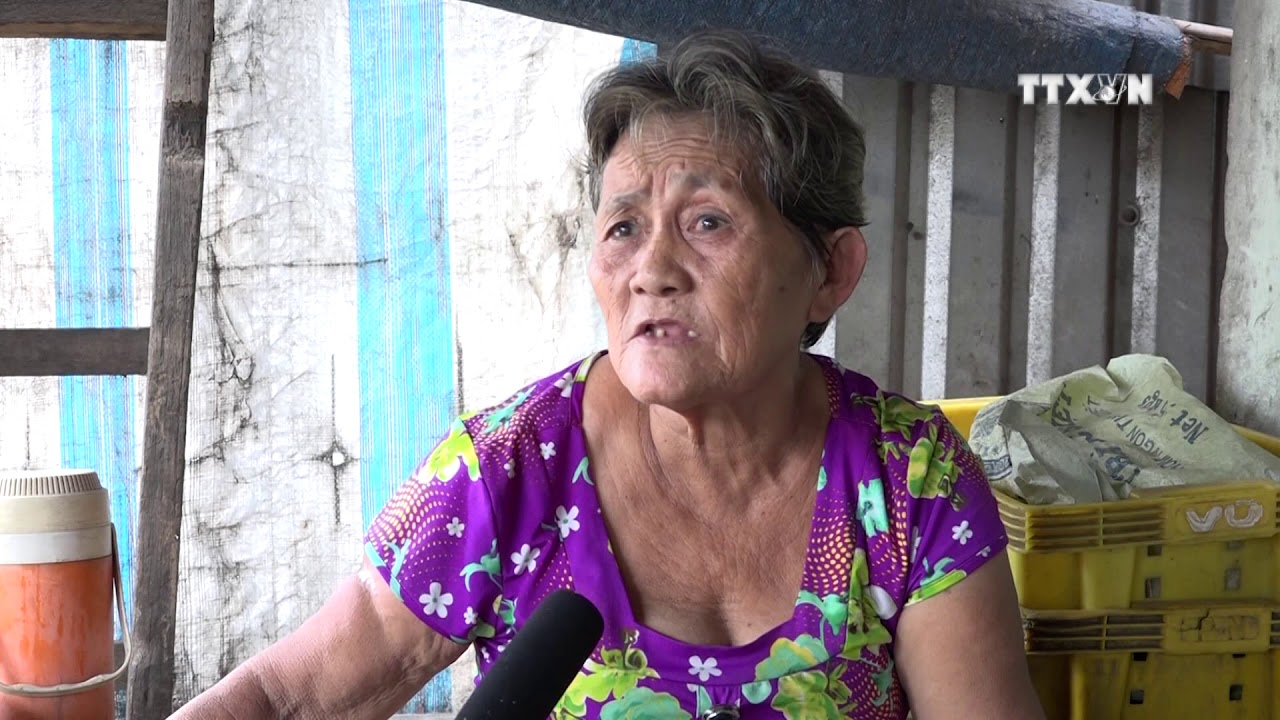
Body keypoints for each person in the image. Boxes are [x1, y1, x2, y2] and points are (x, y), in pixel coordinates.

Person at [173, 28, 1045, 720]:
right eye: (623, 227)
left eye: (708, 221)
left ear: (831, 269)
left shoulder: (910, 478)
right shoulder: (510, 470)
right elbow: (285, 698)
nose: (650, 270)